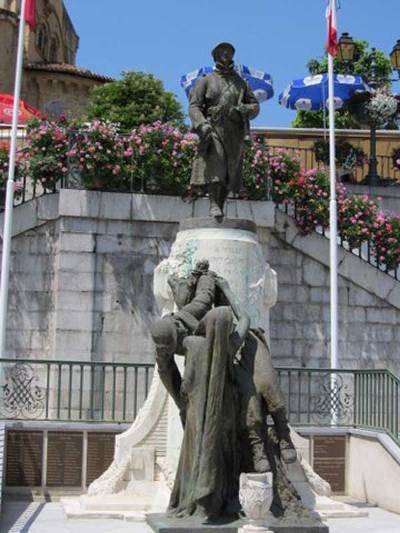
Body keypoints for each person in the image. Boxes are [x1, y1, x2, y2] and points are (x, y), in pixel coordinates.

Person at [187, 42, 260, 218]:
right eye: (223, 51)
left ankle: (220, 203)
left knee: (231, 171)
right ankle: (213, 204)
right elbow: (194, 106)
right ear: (216, 56)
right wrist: (202, 124)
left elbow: (255, 106)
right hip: (214, 127)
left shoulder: (241, 83)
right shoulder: (205, 80)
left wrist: (245, 109)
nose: (227, 54)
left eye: (230, 52)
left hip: (235, 130)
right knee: (216, 164)